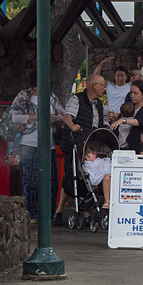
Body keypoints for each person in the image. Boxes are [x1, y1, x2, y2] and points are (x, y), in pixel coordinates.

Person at [8, 69, 64, 224]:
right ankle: (31, 214)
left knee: (52, 182)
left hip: (49, 145)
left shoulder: (52, 97)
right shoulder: (24, 96)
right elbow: (14, 117)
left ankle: (48, 214)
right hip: (29, 144)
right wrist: (36, 117)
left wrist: (56, 118)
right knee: (29, 181)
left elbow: (63, 114)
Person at [55, 74, 108, 222]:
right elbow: (67, 115)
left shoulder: (99, 104)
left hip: (89, 145)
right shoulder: (77, 99)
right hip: (75, 143)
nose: (104, 89)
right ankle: (60, 210)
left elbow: (103, 122)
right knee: (71, 175)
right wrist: (72, 126)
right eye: (102, 85)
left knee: (88, 176)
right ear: (94, 85)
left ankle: (84, 210)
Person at [110, 80, 143, 153]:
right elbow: (119, 122)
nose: (132, 96)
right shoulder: (129, 107)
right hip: (121, 147)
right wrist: (114, 120)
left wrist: (123, 121)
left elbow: (141, 122)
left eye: (136, 93)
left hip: (139, 149)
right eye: (131, 93)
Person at [92, 56, 131, 122]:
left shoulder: (130, 85)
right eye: (118, 76)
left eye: (122, 75)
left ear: (126, 76)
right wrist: (101, 64)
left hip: (125, 118)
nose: (120, 78)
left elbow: (142, 74)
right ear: (114, 76)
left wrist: (130, 72)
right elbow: (93, 79)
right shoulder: (109, 85)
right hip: (110, 117)